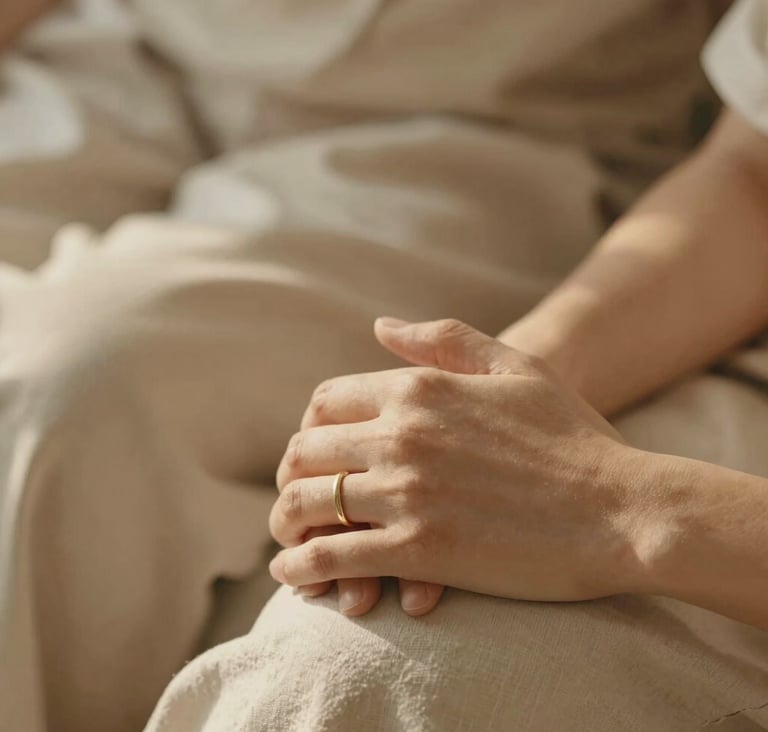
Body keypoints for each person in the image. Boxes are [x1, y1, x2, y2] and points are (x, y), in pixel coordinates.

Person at [0, 1, 742, 731]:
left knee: (67, 388)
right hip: (125, 52)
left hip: (485, 122)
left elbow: (750, 170)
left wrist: (492, 408)